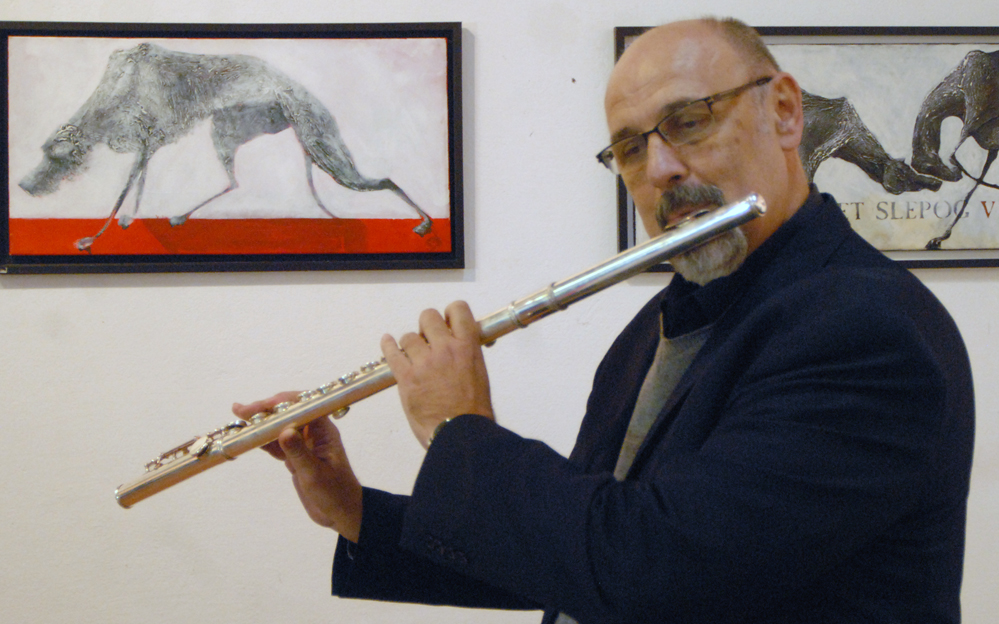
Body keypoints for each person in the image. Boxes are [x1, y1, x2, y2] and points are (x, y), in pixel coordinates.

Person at [233, 17, 975, 624]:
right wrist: (353, 511)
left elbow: (656, 574)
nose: (659, 170)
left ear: (783, 112)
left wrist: (459, 432)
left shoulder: (866, 331)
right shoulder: (655, 326)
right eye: (629, 147)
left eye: (688, 122)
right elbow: (578, 554)